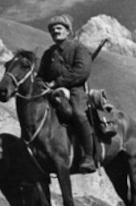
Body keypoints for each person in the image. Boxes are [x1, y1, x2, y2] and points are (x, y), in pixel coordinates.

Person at [37, 15, 97, 174]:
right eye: (52, 29)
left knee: (78, 114)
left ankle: (88, 157)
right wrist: (42, 84)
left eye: (59, 28)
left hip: (75, 89)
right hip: (53, 91)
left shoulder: (78, 48)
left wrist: (57, 82)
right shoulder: (48, 53)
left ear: (68, 31)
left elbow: (81, 72)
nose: (55, 31)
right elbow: (40, 76)